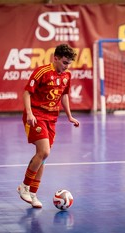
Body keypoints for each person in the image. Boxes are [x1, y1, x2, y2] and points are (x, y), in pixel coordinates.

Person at [17, 44, 80, 208]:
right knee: (44, 151)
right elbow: (26, 92)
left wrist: (69, 116)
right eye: (64, 62)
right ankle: (24, 186)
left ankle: (33, 193)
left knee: (43, 157)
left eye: (69, 64)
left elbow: (64, 96)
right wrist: (29, 113)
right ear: (56, 58)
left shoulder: (67, 75)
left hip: (52, 118)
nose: (66, 66)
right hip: (36, 115)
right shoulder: (42, 72)